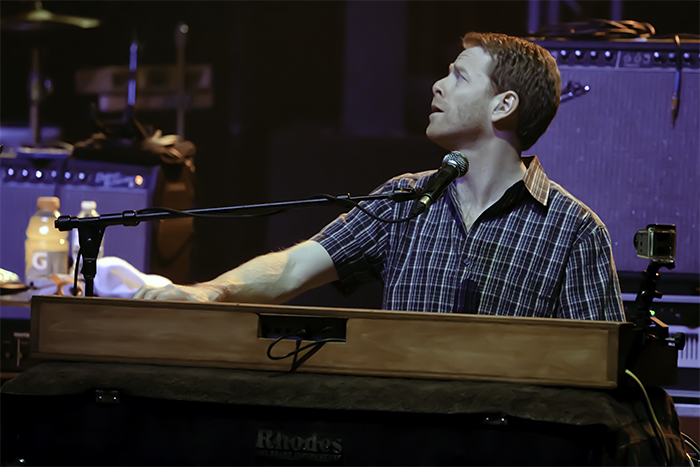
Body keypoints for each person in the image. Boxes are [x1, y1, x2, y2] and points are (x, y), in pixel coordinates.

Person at [135, 32, 625, 322]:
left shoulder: (574, 229)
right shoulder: (403, 198)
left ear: (504, 105)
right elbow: (291, 270)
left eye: (459, 76)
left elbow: (595, 365)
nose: (437, 85)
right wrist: (210, 292)